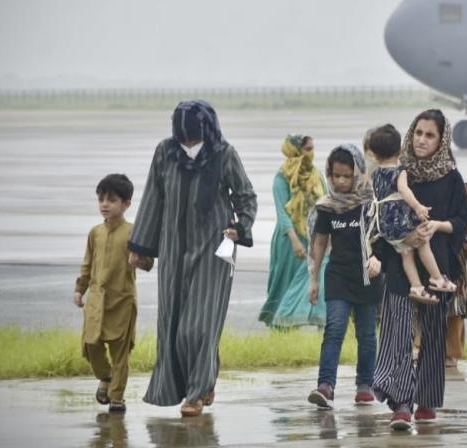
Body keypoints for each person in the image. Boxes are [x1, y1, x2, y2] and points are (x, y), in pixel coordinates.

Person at [127, 100, 257, 417]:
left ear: (207, 131)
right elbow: (153, 197)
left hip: (215, 248)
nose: (188, 144)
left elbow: (245, 196)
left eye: (194, 137)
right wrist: (141, 248)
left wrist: (241, 227)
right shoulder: (165, 153)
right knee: (172, 322)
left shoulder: (224, 154)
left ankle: (196, 395)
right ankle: (195, 384)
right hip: (173, 248)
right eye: (184, 137)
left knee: (198, 325)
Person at [372, 109, 467, 430]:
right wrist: (394, 243)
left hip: (437, 264)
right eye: (418, 133)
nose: (422, 140)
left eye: (430, 135)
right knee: (397, 332)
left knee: (431, 334)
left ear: (442, 140)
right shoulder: (398, 172)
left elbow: (461, 221)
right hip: (400, 263)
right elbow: (379, 216)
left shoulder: (451, 177)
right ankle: (400, 402)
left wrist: (436, 226)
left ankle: (426, 399)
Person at [307, 144, 383, 409]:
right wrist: (314, 278)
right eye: (335, 175)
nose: (340, 181)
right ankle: (325, 386)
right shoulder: (328, 207)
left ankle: (365, 384)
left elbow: (385, 237)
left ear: (358, 173)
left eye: (346, 176)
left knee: (366, 333)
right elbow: (319, 243)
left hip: (368, 277)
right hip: (338, 275)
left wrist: (379, 260)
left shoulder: (372, 203)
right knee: (335, 328)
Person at [73, 173, 153, 413]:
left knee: (120, 354)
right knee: (91, 346)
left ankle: (117, 398)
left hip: (123, 301)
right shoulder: (94, 233)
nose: (104, 205)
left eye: (111, 200)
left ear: (126, 204)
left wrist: (138, 259)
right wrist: (80, 290)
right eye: (101, 200)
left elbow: (149, 263)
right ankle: (105, 377)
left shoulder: (134, 231)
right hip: (96, 301)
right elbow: (87, 264)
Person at [367, 123, 456, 304]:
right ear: (400, 150)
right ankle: (436, 278)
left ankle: (416, 287)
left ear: (374, 154)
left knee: (406, 254)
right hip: (400, 221)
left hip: (386, 225)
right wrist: (417, 207)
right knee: (423, 244)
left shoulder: (375, 173)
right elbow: (404, 191)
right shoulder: (400, 171)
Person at [259, 134, 327, 329]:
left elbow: (326, 201)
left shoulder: (316, 174)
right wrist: (295, 240)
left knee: (317, 285)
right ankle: (281, 329)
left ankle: (321, 329)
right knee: (285, 285)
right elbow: (282, 212)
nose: (311, 153)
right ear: (295, 150)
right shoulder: (282, 176)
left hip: (313, 240)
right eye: (307, 149)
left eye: (313, 148)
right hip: (289, 241)